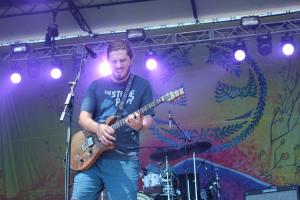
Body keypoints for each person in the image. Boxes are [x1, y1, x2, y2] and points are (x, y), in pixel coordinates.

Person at [71, 39, 155, 200]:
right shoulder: (96, 85)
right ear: (108, 61)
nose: (118, 65)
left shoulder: (142, 85)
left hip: (124, 158)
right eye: (114, 61)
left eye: (122, 60)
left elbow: (148, 119)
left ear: (131, 59)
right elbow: (83, 118)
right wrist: (98, 128)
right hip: (91, 157)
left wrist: (139, 125)